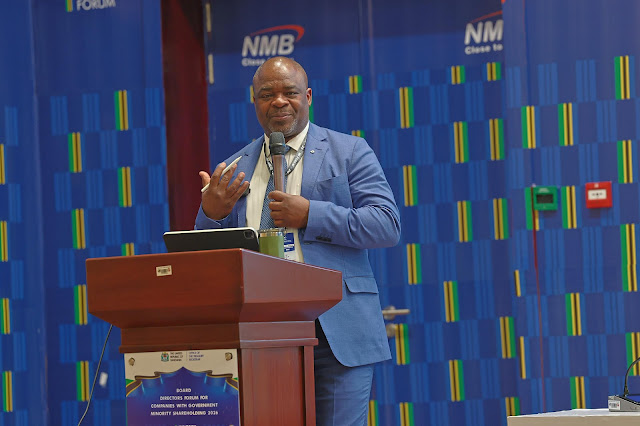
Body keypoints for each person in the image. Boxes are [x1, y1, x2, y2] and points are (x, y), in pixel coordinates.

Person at [195, 56, 401, 425]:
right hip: (261, 332)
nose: (279, 101)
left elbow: (386, 225)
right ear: (254, 102)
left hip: (336, 331)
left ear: (307, 96)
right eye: (266, 95)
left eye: (289, 92)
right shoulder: (235, 168)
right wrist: (210, 214)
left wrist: (310, 215)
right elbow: (207, 260)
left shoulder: (349, 152)